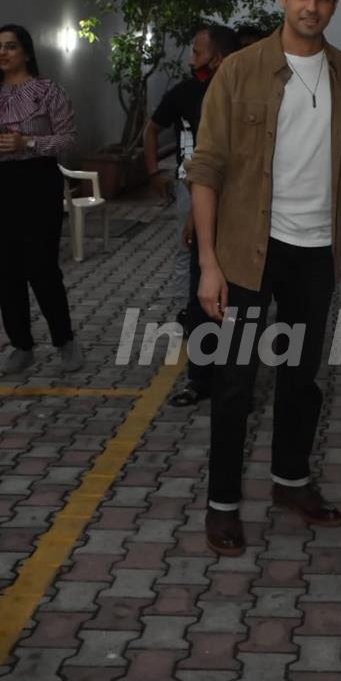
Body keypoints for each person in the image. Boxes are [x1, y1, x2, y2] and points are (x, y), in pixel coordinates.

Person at [187, 0, 341, 555]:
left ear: (335, 4)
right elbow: (206, 168)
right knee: (234, 381)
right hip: (246, 251)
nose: (311, 6)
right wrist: (209, 264)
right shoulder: (239, 70)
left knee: (301, 378)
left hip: (314, 253)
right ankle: (222, 505)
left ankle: (291, 481)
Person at [144, 24, 245, 406]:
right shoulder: (185, 94)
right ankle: (200, 378)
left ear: (218, 58)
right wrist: (155, 173)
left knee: (241, 299)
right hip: (198, 201)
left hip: (242, 208)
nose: (191, 59)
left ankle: (236, 383)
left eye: (197, 53)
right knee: (199, 289)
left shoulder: (244, 96)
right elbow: (153, 133)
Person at [0, 24, 83, 373]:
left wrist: (28, 144)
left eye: (11, 46)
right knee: (6, 271)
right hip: (2, 184)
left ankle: (65, 342)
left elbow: (68, 138)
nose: (3, 53)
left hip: (38, 182)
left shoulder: (47, 90)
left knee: (41, 267)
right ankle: (21, 345)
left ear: (27, 52)